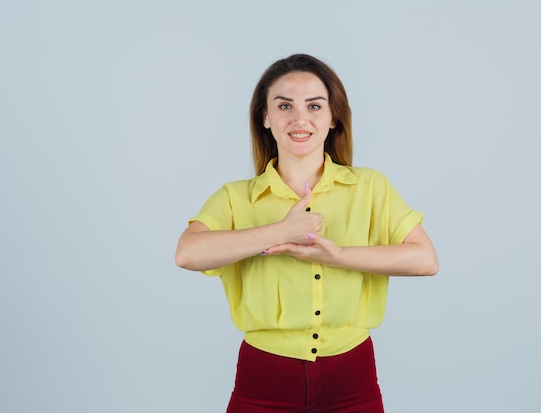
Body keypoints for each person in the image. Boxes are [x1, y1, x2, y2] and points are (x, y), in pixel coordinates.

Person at [175, 53, 438, 413]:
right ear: (265, 117)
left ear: (333, 118)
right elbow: (187, 253)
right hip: (262, 379)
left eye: (314, 106)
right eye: (284, 106)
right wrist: (280, 230)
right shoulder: (235, 198)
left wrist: (338, 256)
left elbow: (425, 260)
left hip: (352, 379)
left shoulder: (371, 187)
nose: (300, 119)